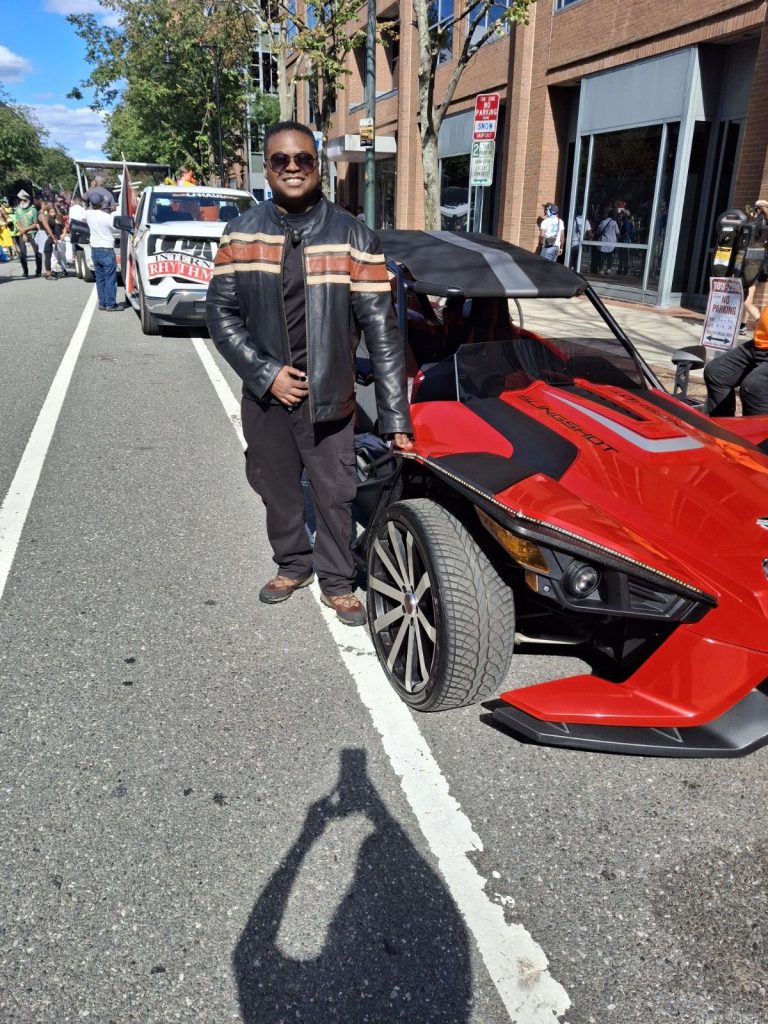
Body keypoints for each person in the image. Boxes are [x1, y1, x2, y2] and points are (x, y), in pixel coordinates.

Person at [206, 120, 413, 627]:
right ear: (268, 166)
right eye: (281, 160)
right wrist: (264, 373)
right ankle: (292, 564)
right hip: (266, 395)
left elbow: (381, 330)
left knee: (335, 491)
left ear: (318, 164)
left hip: (331, 397)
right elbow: (220, 315)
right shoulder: (241, 232)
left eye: (303, 159)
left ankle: (338, 581)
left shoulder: (352, 235)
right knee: (274, 485)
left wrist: (395, 416)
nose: (293, 168)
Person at [704, 304, 768, 417]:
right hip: (759, 343)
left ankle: (757, 433)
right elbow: (748, 299)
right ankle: (723, 428)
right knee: (716, 372)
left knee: (754, 387)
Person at [83, 194, 123, 311]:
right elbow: (116, 227)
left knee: (99, 278)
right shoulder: (106, 217)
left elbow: (84, 213)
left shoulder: (88, 214)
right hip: (106, 248)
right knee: (110, 277)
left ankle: (102, 302)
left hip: (95, 249)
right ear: (102, 204)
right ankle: (110, 304)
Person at [739, 198, 768, 337]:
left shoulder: (758, 226)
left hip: (751, 267)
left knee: (746, 301)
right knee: (747, 297)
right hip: (757, 267)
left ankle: (762, 324)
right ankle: (742, 326)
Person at [13, 190, 42, 278]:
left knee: (38, 253)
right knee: (22, 254)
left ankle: (38, 271)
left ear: (28, 201)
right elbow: (18, 223)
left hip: (33, 233)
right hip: (22, 233)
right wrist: (24, 234)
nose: (22, 202)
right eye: (21, 200)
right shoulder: (17, 210)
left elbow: (35, 223)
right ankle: (25, 271)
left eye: (25, 200)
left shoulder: (33, 210)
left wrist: (25, 230)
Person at [596, 209, 620, 274]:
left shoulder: (603, 222)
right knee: (610, 256)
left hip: (603, 241)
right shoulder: (614, 223)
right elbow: (617, 232)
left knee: (602, 257)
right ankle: (608, 269)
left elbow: (598, 231)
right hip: (612, 242)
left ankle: (601, 269)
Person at [617, 209, 634, 276]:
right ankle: (622, 269)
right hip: (625, 240)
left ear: (626, 215)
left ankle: (623, 270)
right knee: (623, 256)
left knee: (623, 256)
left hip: (625, 241)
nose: (621, 215)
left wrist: (622, 237)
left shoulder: (626, 222)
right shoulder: (626, 222)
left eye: (622, 213)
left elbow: (626, 232)